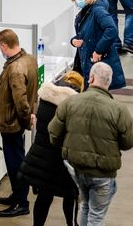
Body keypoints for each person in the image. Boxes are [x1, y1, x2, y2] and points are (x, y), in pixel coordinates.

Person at [49, 62, 133, 226]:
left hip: (77, 168)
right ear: (108, 82)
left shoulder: (70, 102)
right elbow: (129, 142)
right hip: (103, 173)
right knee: (97, 216)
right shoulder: (119, 110)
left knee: (85, 207)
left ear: (90, 78)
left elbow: (53, 134)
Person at [19, 72, 84, 226]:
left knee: (44, 196)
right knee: (70, 194)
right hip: (62, 158)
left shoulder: (46, 98)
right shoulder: (73, 106)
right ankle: (71, 223)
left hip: (42, 157)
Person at [0, 28, 39, 217]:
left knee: (15, 163)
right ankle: (17, 194)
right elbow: (34, 91)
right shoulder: (29, 59)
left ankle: (21, 202)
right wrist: (31, 115)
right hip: (18, 122)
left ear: (4, 45)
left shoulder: (15, 69)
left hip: (12, 123)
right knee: (16, 160)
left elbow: (20, 100)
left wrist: (26, 117)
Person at [70, 0, 127, 90]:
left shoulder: (97, 10)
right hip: (88, 61)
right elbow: (83, 34)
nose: (77, 1)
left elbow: (111, 29)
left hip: (97, 61)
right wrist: (73, 41)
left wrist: (99, 51)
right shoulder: (84, 13)